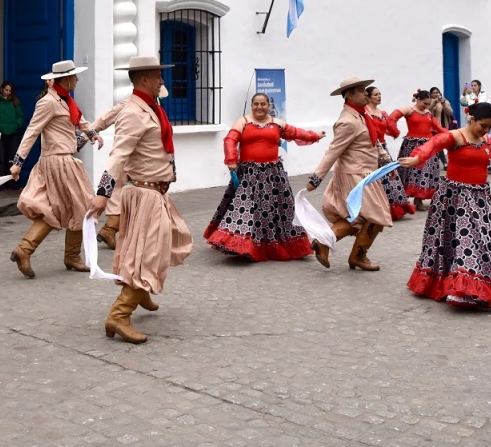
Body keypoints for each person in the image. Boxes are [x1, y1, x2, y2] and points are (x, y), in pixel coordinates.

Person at [89, 55, 192, 344]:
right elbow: (118, 156)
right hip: (145, 194)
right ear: (145, 79)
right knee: (149, 254)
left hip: (153, 192)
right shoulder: (134, 112)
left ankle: (142, 292)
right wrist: (102, 193)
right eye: (158, 75)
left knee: (155, 247)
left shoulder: (148, 105)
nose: (162, 80)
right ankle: (119, 315)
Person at [399, 103, 491, 309]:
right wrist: (417, 158)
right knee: (464, 240)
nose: (486, 131)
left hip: (481, 197)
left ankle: (480, 282)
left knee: (485, 240)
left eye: (490, 127)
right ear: (471, 119)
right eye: (483, 125)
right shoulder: (456, 136)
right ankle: (464, 288)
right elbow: (434, 143)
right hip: (455, 198)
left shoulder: (484, 138)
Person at [7, 60, 103, 278]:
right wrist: (18, 161)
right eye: (75, 76)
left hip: (63, 161)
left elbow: (81, 121)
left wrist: (93, 133)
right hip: (58, 162)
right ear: (66, 79)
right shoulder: (48, 102)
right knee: (84, 206)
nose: (78, 79)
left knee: (58, 210)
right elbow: (32, 130)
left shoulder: (66, 101)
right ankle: (70, 256)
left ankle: (26, 250)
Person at [203, 93, 324, 262]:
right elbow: (230, 139)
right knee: (245, 209)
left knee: (277, 211)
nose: (259, 107)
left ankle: (274, 244)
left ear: (269, 106)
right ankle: (241, 245)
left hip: (274, 175)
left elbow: (296, 134)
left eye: (263, 104)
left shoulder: (277, 124)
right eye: (256, 104)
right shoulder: (243, 122)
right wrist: (231, 160)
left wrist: (315, 136)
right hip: (249, 174)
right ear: (251, 105)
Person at [307, 77, 392, 272]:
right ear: (350, 95)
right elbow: (333, 151)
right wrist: (316, 178)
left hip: (366, 175)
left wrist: (386, 161)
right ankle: (356, 255)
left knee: (360, 218)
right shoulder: (347, 121)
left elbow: (374, 141)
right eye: (361, 90)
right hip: (354, 176)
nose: (366, 93)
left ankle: (333, 246)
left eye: (364, 90)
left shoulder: (362, 115)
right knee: (374, 216)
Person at [89, 84, 169, 250]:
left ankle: (110, 230)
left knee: (120, 195)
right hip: (129, 159)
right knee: (121, 194)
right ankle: (111, 230)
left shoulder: (154, 107)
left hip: (137, 161)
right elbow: (105, 119)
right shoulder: (130, 106)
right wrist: (87, 134)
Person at [386, 90, 449, 210]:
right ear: (418, 99)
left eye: (428, 104)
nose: (426, 106)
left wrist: (452, 136)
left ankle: (419, 199)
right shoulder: (409, 110)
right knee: (411, 172)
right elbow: (392, 118)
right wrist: (395, 131)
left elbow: (438, 128)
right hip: (412, 145)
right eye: (425, 103)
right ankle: (402, 199)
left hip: (428, 146)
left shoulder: (428, 114)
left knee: (426, 172)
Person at [365, 86, 415, 221]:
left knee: (391, 177)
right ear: (368, 97)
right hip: (371, 149)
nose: (379, 96)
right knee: (376, 179)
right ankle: (377, 210)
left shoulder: (382, 113)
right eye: (376, 95)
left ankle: (394, 208)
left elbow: (388, 126)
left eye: (380, 94)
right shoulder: (365, 112)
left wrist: (395, 131)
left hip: (383, 147)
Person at [0, 81, 25, 177]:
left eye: (10, 91)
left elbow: (20, 115)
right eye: (6, 90)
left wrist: (17, 125)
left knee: (12, 158)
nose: (8, 92)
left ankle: (12, 182)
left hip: (13, 134)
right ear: (2, 89)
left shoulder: (15, 102)